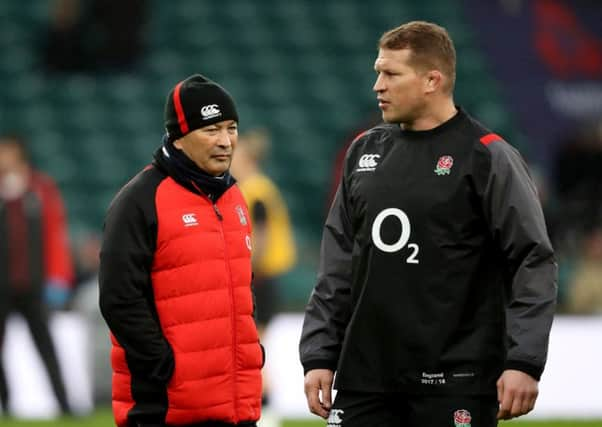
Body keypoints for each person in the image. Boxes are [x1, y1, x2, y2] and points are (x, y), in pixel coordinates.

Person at [299, 21, 557, 427]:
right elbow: (337, 264)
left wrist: (524, 360)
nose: (377, 86)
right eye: (377, 73)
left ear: (431, 80)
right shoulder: (363, 151)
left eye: (391, 74)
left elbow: (532, 260)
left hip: (455, 383)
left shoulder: (488, 156)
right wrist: (319, 353)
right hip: (365, 379)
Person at [99, 74, 263, 427]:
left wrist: (250, 351)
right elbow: (118, 298)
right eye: (211, 130)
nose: (226, 142)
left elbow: (240, 287)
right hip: (167, 407)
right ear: (179, 136)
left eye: (231, 128)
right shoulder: (138, 201)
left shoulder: (234, 196)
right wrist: (162, 365)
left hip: (237, 403)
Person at [0, 135, 73, 416]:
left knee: (46, 346)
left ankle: (65, 405)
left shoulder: (40, 188)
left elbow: (55, 234)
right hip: (2, 286)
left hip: (33, 284)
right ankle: (6, 407)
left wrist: (58, 276)